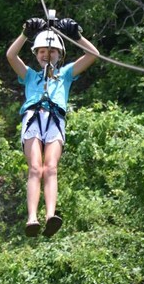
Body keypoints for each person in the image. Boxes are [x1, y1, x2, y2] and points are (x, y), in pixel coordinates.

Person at [6, 16, 99, 237]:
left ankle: (50, 215)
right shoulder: (29, 76)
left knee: (51, 168)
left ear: (60, 55)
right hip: (33, 118)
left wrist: (77, 36)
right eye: (42, 52)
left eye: (52, 52)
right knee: (35, 169)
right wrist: (25, 34)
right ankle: (32, 218)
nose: (47, 55)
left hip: (55, 120)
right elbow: (11, 55)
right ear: (36, 55)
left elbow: (93, 55)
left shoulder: (65, 74)